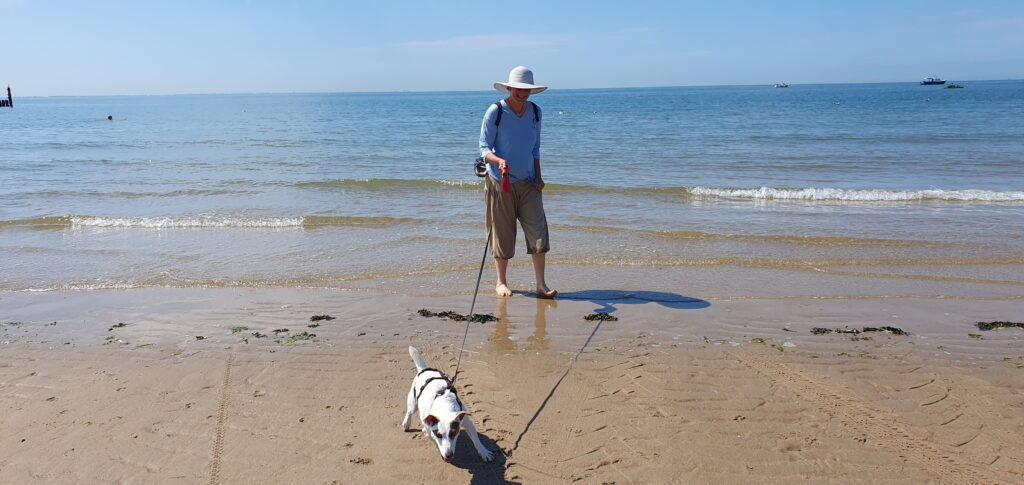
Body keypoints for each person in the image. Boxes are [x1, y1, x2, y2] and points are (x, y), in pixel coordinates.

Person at [478, 66, 556, 299]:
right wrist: (499, 160)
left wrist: (539, 176)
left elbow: (535, 148)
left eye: (526, 90)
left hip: (529, 182)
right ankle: (501, 282)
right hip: (499, 182)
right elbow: (483, 148)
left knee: (538, 232)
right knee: (502, 233)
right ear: (510, 88)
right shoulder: (496, 111)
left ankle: (541, 285)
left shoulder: (535, 112)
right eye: (518, 89)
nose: (522, 94)